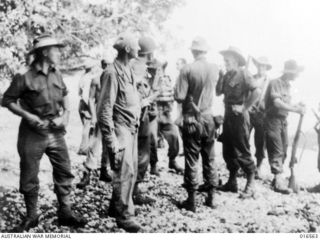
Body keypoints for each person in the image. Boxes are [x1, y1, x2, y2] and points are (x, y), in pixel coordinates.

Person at [2, 35, 87, 232]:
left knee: (64, 171)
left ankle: (65, 213)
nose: (59, 53)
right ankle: (32, 216)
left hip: (55, 131)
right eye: (55, 50)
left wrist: (65, 115)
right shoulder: (24, 76)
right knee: (29, 175)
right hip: (32, 133)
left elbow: (65, 94)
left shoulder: (57, 73)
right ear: (44, 52)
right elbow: (7, 100)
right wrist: (28, 116)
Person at [98, 33, 141, 232]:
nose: (139, 49)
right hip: (120, 127)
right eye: (136, 46)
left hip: (132, 128)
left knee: (129, 171)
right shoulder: (111, 72)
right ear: (127, 50)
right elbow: (105, 108)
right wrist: (111, 138)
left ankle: (116, 207)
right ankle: (125, 216)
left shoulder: (129, 70)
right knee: (125, 171)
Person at [174, 37, 219, 212]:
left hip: (192, 119)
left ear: (193, 51)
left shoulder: (187, 69)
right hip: (209, 118)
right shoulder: (215, 68)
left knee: (192, 158)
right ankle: (211, 197)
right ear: (205, 51)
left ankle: (191, 200)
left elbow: (179, 96)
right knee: (210, 158)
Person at [216, 46, 260, 199]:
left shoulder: (244, 74)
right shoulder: (227, 75)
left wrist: (244, 107)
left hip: (240, 118)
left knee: (242, 150)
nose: (225, 62)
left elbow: (257, 92)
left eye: (227, 60)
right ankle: (232, 182)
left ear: (235, 60)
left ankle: (250, 184)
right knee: (228, 150)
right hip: (228, 115)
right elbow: (217, 92)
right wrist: (221, 75)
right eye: (225, 60)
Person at [264, 59, 305, 194]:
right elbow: (277, 103)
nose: (297, 76)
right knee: (276, 148)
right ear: (290, 73)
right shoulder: (275, 83)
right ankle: (278, 180)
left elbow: (285, 105)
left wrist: (296, 106)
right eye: (296, 73)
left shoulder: (287, 85)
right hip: (272, 120)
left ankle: (278, 179)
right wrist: (295, 110)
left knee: (284, 148)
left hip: (282, 120)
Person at [130, 36, 159, 205]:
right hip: (139, 118)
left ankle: (131, 192)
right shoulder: (140, 68)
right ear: (150, 53)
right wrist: (149, 99)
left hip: (135, 117)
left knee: (135, 155)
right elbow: (139, 95)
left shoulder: (133, 65)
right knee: (141, 155)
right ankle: (132, 193)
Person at [76, 60, 112, 189]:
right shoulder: (96, 80)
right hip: (99, 113)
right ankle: (87, 173)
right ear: (102, 66)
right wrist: (94, 117)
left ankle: (104, 170)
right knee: (94, 144)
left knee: (109, 145)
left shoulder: (115, 78)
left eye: (110, 64)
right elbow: (91, 99)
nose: (107, 67)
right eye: (105, 65)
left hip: (111, 115)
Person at [249, 56, 272, 179]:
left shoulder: (269, 81)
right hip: (249, 112)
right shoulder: (251, 78)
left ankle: (258, 167)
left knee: (260, 141)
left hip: (262, 115)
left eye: (263, 66)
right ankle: (246, 166)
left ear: (266, 68)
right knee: (243, 138)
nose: (260, 68)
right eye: (259, 65)